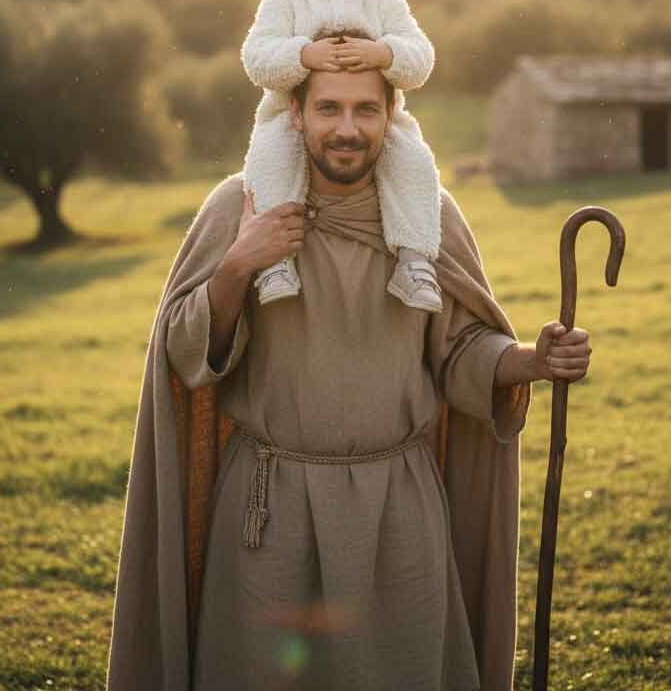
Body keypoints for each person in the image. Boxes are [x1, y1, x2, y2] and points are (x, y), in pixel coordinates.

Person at [105, 58, 592, 691]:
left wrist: (531, 360)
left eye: (366, 109)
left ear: (392, 116)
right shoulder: (242, 204)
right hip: (267, 511)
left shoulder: (426, 216)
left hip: (399, 509)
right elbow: (185, 352)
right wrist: (238, 264)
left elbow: (461, 351)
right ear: (296, 114)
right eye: (329, 108)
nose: (347, 128)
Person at [241, 0, 443, 312]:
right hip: (291, 118)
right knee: (271, 158)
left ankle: (414, 260)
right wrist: (302, 55)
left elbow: (421, 57)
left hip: (377, 120)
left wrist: (384, 53)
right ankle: (275, 262)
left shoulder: (384, 2)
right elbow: (256, 56)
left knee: (413, 160)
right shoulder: (286, 0)